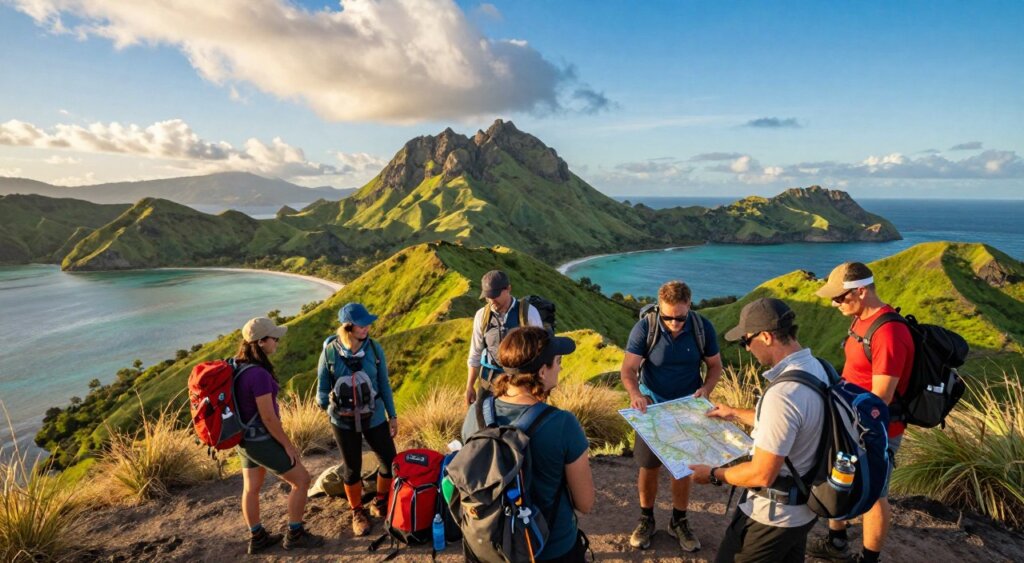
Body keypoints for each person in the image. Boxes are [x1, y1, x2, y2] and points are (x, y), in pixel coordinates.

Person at [689, 298, 827, 563]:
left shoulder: (783, 394)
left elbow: (762, 474)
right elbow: (796, 423)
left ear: (765, 336)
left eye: (746, 341)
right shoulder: (817, 368)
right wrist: (735, 414)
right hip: (807, 507)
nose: (747, 349)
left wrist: (714, 474)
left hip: (774, 514)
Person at [807, 262, 913, 563]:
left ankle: (868, 559)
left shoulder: (888, 333)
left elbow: (881, 398)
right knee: (838, 480)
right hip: (850, 422)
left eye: (840, 297)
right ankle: (837, 543)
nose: (834, 303)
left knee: (875, 492)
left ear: (862, 291)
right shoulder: (859, 320)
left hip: (876, 430)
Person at [461, 326, 595, 562]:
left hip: (490, 545)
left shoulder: (476, 414)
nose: (561, 367)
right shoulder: (563, 423)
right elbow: (585, 503)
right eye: (558, 361)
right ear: (543, 372)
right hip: (549, 547)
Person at [619, 280, 724, 552]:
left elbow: (715, 366)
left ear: (689, 306)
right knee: (648, 466)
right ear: (659, 309)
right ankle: (646, 519)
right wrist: (635, 394)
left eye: (679, 317)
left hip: (687, 408)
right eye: (667, 317)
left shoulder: (702, 328)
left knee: (682, 467)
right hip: (651, 407)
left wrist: (706, 390)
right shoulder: (646, 327)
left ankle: (679, 520)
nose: (674, 323)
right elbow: (628, 369)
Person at [234, 317, 324, 553]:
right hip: (262, 440)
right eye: (274, 338)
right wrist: (287, 445)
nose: (278, 342)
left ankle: (258, 538)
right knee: (302, 480)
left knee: (251, 488)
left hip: (244, 440)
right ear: (261, 342)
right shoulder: (259, 375)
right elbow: (268, 418)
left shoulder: (238, 367)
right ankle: (295, 534)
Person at [317, 303, 399, 537]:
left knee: (389, 461)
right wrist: (332, 410)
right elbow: (322, 390)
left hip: (374, 416)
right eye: (363, 324)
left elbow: (384, 384)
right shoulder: (330, 352)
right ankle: (357, 511)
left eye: (368, 323)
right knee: (352, 468)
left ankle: (380, 501)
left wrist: (392, 416)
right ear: (348, 327)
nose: (368, 327)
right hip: (342, 421)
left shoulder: (374, 349)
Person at [465, 269, 543, 405]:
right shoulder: (481, 316)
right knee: (483, 422)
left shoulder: (528, 313)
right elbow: (475, 354)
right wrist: (469, 386)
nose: (491, 300)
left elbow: (542, 351)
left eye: (495, 295)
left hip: (521, 384)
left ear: (508, 289)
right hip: (489, 384)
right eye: (488, 296)